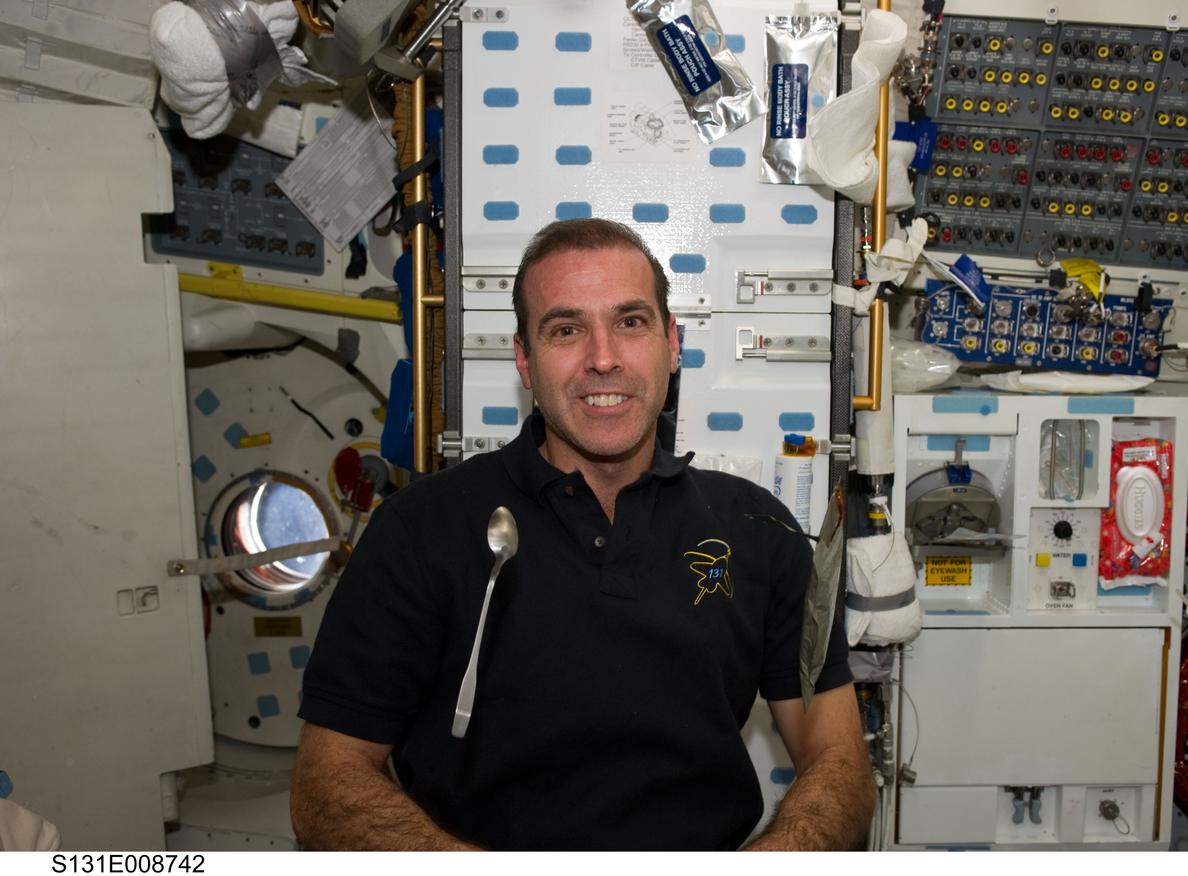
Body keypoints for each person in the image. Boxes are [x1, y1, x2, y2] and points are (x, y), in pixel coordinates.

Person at [291, 218, 876, 850]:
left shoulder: (759, 531)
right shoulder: (419, 530)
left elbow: (839, 761)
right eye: (566, 329)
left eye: (631, 322)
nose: (603, 358)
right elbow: (326, 785)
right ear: (524, 358)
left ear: (672, 343)